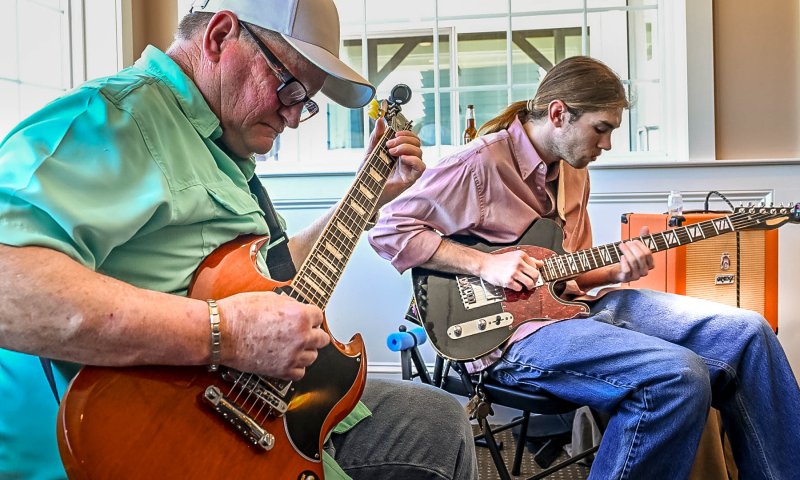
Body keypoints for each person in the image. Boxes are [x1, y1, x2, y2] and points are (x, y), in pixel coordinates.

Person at [0, 1, 477, 479]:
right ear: (220, 36)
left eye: (305, 102)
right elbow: (8, 284)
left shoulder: (221, 145)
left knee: (439, 422)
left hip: (239, 403)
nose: (292, 117)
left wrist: (367, 198)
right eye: (289, 87)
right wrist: (224, 333)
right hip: (145, 439)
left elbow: (271, 272)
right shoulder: (113, 119)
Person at [369, 56, 800, 479]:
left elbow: (566, 272)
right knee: (676, 376)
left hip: (576, 311)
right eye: (602, 128)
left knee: (749, 333)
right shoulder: (479, 164)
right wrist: (486, 264)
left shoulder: (574, 171)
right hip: (507, 333)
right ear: (559, 114)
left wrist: (616, 272)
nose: (607, 143)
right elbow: (388, 231)